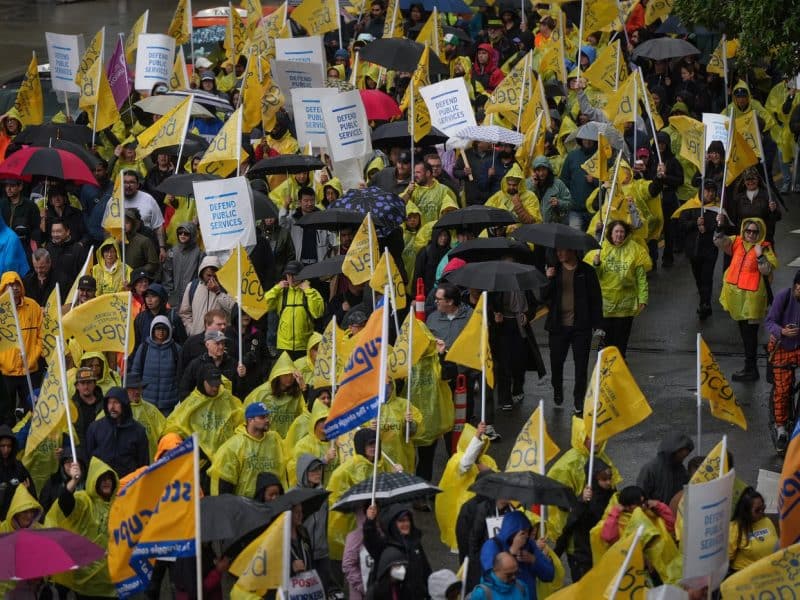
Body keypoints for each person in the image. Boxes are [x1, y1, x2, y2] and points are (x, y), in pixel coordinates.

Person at [45, 456, 118, 598]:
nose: (106, 482)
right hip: (87, 578)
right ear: (94, 481)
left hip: (110, 578)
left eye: (109, 478)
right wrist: (74, 481)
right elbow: (65, 502)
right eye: (102, 479)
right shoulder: (84, 500)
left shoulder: (118, 505)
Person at [714, 217, 777, 381]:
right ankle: (750, 367)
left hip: (753, 300)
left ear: (760, 233)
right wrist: (720, 226)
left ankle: (751, 368)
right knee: (744, 332)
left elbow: (767, 270)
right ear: (743, 230)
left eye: (755, 231)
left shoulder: (764, 248)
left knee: (750, 334)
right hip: (737, 296)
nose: (751, 234)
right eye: (748, 230)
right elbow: (720, 242)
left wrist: (760, 256)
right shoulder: (737, 241)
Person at [543, 247, 602, 414]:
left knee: (581, 366)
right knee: (556, 363)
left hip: (581, 328)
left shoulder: (587, 271)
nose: (559, 253)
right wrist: (548, 279)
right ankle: (558, 389)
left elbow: (596, 299)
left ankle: (579, 400)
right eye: (557, 251)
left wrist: (598, 326)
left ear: (573, 251)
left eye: (563, 250)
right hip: (558, 327)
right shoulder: (554, 270)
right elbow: (543, 297)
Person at [588, 220, 651, 358]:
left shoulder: (635, 250)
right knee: (608, 338)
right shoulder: (600, 249)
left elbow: (641, 278)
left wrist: (643, 298)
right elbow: (592, 277)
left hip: (625, 305)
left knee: (622, 338)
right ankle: (607, 362)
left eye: (622, 232)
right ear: (610, 233)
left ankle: (620, 362)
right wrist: (596, 264)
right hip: (606, 305)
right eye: (616, 231)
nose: (619, 235)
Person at [164, 364, 244, 467]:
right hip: (200, 462)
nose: (215, 388)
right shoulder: (192, 402)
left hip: (224, 460)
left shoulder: (227, 399)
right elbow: (174, 426)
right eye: (211, 385)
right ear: (202, 381)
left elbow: (241, 421)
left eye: (217, 385)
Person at [555, 459, 615, 582]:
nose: (608, 482)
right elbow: (570, 525)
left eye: (610, 478)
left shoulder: (611, 494)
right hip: (585, 555)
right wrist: (556, 554)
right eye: (604, 479)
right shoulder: (584, 502)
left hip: (605, 552)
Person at [208, 401, 286, 496]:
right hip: (245, 504)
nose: (267, 420)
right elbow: (225, 481)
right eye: (262, 417)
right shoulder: (235, 445)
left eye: (267, 416)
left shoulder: (274, 439)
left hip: (270, 501)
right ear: (250, 420)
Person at [455, 470, 512, 591]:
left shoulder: (496, 506)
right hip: (481, 563)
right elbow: (466, 538)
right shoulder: (475, 507)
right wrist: (471, 560)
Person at [479, 511, 555, 600]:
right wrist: (512, 552)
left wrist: (533, 560)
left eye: (528, 531)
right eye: (523, 533)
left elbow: (550, 575)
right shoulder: (492, 545)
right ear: (511, 531)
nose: (526, 536)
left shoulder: (529, 544)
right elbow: (490, 578)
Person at [363, 504, 432, 599]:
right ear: (392, 524)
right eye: (401, 521)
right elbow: (370, 540)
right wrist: (370, 521)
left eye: (408, 520)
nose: (406, 524)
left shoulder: (415, 543)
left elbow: (426, 569)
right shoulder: (385, 546)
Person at [0, 271, 42, 424]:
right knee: (6, 413)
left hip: (29, 371)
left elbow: (41, 335)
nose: (14, 288)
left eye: (16, 284)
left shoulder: (33, 306)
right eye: (9, 285)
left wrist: (33, 357)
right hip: (6, 373)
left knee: (32, 412)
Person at [765, 271, 800, 450]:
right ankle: (781, 429)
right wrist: (783, 332)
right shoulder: (783, 297)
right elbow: (769, 322)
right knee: (783, 389)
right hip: (782, 347)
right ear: (796, 286)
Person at [84, 386, 149, 478]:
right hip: (102, 482)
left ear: (124, 404)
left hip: (128, 482)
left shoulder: (138, 431)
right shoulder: (95, 428)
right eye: (109, 402)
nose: (112, 407)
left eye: (116, 402)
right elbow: (88, 457)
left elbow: (143, 463)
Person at [264, 261, 325, 360]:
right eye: (289, 275)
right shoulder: (281, 292)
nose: (291, 279)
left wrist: (308, 290)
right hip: (283, 346)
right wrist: (276, 288)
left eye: (294, 275)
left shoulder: (310, 292)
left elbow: (318, 313)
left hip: (304, 346)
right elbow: (263, 305)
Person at [679, 180, 720, 320]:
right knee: (698, 278)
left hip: (710, 250)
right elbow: (682, 224)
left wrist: (711, 226)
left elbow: (721, 229)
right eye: (707, 191)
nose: (710, 194)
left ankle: (705, 304)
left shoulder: (717, 209)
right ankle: (704, 299)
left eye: (712, 191)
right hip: (694, 250)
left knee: (707, 278)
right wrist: (695, 223)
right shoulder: (691, 206)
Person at [293, 454, 333, 591]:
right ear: (304, 472)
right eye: (313, 470)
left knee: (322, 591)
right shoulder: (293, 495)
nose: (318, 473)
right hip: (303, 555)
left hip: (322, 554)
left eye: (319, 469)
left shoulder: (322, 494)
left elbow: (326, 521)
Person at [244, 352, 307, 439]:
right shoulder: (262, 392)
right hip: (266, 439)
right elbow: (247, 411)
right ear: (278, 376)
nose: (289, 378)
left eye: (291, 375)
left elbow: (305, 412)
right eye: (285, 375)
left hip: (288, 440)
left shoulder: (297, 393)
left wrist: (304, 388)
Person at [129, 315, 183, 415]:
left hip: (169, 404)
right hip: (146, 402)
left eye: (164, 329)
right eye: (158, 329)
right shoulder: (144, 347)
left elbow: (180, 375)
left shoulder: (176, 349)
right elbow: (135, 372)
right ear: (152, 330)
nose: (161, 332)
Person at [179, 329, 244, 401]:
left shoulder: (233, 363)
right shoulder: (196, 364)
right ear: (207, 344)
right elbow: (184, 389)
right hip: (202, 409)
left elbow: (239, 391)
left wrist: (241, 377)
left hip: (226, 409)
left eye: (223, 343)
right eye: (217, 343)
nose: (221, 347)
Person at [179, 256, 237, 336]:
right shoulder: (192, 286)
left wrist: (218, 292)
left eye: (215, 276)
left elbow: (233, 310)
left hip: (219, 337)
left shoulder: (226, 287)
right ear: (202, 273)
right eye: (209, 275)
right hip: (198, 337)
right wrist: (191, 330)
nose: (212, 279)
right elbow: (185, 312)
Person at [636, 432, 694, 504]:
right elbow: (639, 496)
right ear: (672, 451)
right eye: (680, 455)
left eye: (685, 456)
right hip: (655, 512)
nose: (682, 459)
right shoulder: (650, 469)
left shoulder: (680, 469)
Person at [728, 487, 778, 572]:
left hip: (768, 572)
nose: (762, 512)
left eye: (763, 508)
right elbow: (727, 559)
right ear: (746, 512)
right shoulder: (735, 528)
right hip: (745, 575)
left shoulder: (767, 520)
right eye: (757, 510)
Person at [122, 170, 167, 261]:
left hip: (145, 247)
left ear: (138, 185)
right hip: (122, 247)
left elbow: (158, 226)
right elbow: (107, 228)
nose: (128, 185)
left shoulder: (148, 199)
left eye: (132, 182)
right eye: (125, 182)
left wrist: (162, 248)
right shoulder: (114, 201)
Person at [124, 372, 166, 462]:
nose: (137, 392)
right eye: (133, 389)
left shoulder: (151, 410)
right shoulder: (118, 410)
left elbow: (165, 431)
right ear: (125, 390)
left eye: (139, 388)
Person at [402, 161, 459, 225]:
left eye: (418, 172)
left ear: (428, 173)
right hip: (417, 233)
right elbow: (400, 205)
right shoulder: (411, 188)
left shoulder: (443, 190)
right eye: (414, 173)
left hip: (436, 231)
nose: (415, 175)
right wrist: (408, 193)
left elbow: (450, 211)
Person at [163, 222, 204, 308]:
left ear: (192, 235)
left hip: (193, 296)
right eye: (180, 233)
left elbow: (201, 277)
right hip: (174, 298)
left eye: (186, 233)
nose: (182, 235)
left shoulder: (199, 254)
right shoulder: (172, 252)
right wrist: (169, 295)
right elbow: (167, 275)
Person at [0, 425, 34, 520]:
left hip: (16, 520)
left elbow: (32, 493)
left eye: (9, 446)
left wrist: (25, 491)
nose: (6, 450)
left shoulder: (19, 467)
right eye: (2, 446)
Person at [70, 366, 105, 447]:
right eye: (82, 383)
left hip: (101, 450)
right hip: (79, 452)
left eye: (89, 383)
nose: (86, 387)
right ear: (77, 386)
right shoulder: (71, 407)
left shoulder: (105, 404)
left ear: (95, 384)